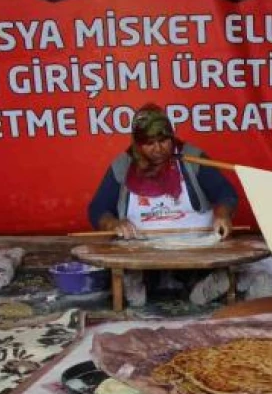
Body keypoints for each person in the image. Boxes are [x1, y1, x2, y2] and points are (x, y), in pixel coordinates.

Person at [87, 104, 239, 305]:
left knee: (201, 278)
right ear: (137, 144)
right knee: (137, 290)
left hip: (194, 249)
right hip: (142, 251)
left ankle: (202, 284)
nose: (158, 149)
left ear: (172, 136)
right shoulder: (123, 165)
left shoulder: (191, 157)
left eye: (164, 140)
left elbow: (225, 193)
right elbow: (97, 208)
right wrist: (113, 224)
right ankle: (137, 282)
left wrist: (222, 214)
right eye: (149, 143)